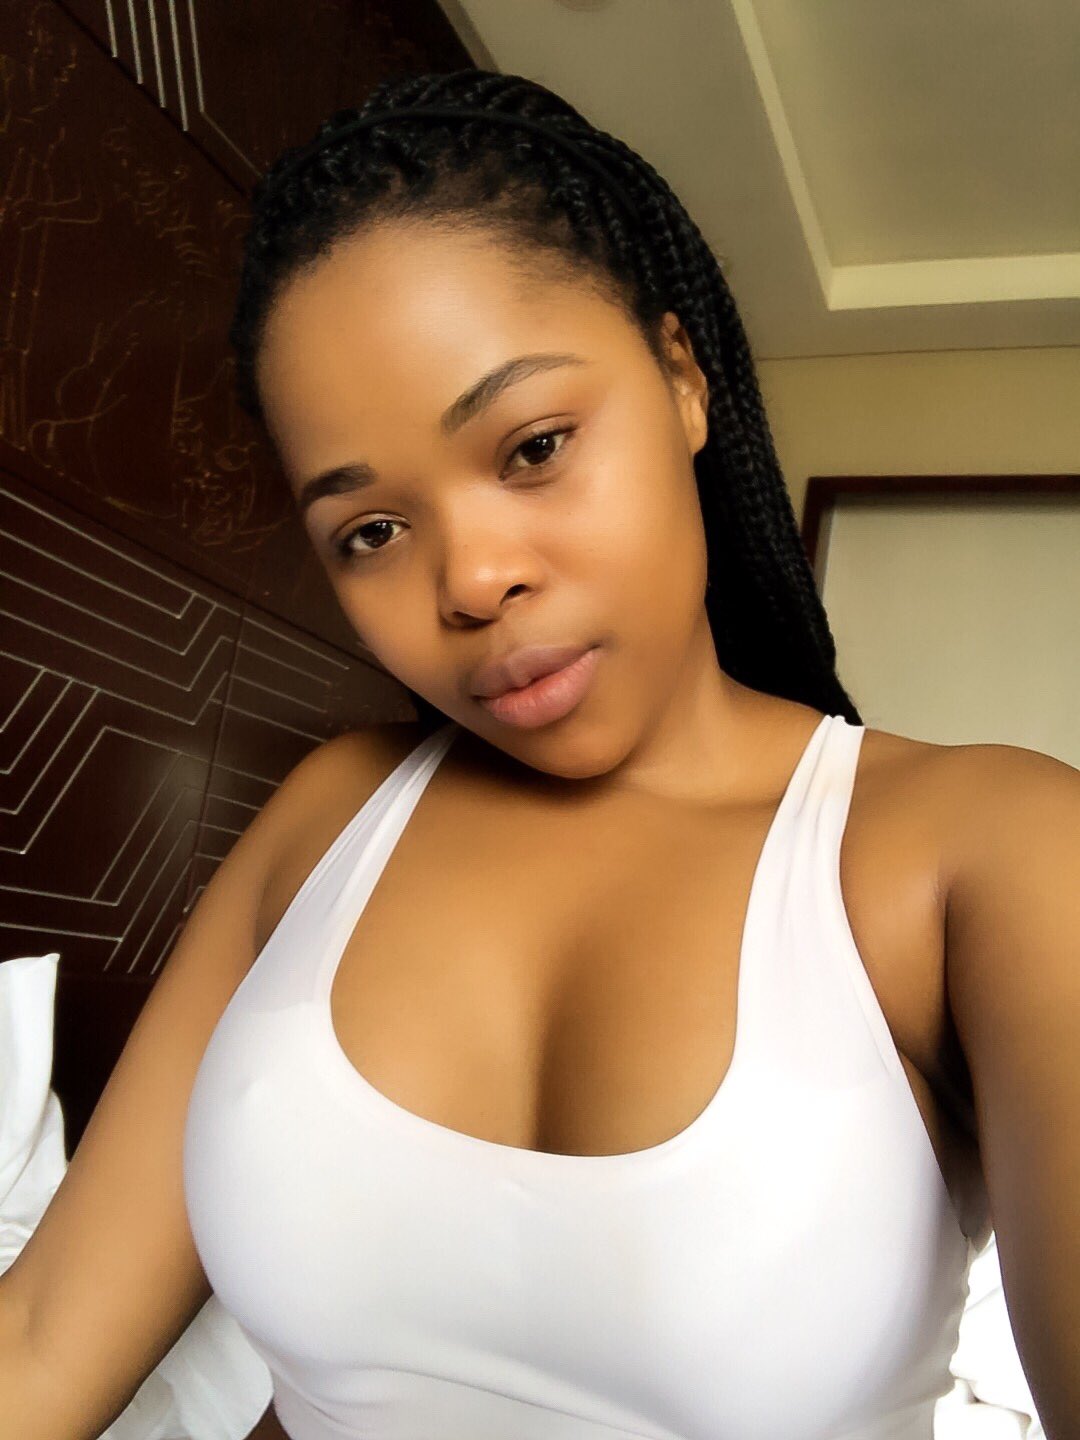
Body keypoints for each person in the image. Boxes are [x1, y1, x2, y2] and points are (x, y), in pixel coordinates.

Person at [1, 68, 1077, 1440]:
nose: (473, 579)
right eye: (370, 532)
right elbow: (41, 1340)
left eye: (534, 446)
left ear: (681, 380)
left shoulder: (986, 855)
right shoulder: (332, 813)